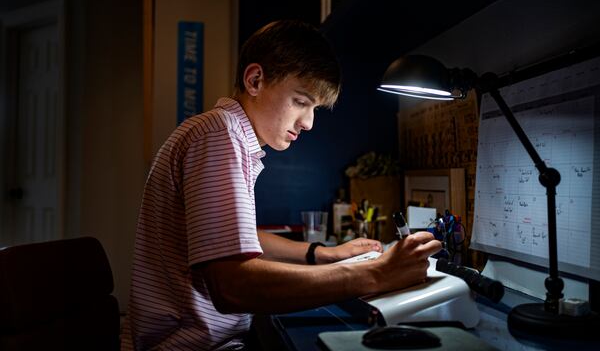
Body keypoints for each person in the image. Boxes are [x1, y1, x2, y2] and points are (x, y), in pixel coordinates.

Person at [121, 20, 442, 350]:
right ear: (255, 80)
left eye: (315, 108)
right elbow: (233, 286)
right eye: (301, 102)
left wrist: (321, 254)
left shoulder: (223, 134)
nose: (308, 123)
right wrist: (376, 274)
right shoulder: (219, 137)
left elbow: (229, 235)